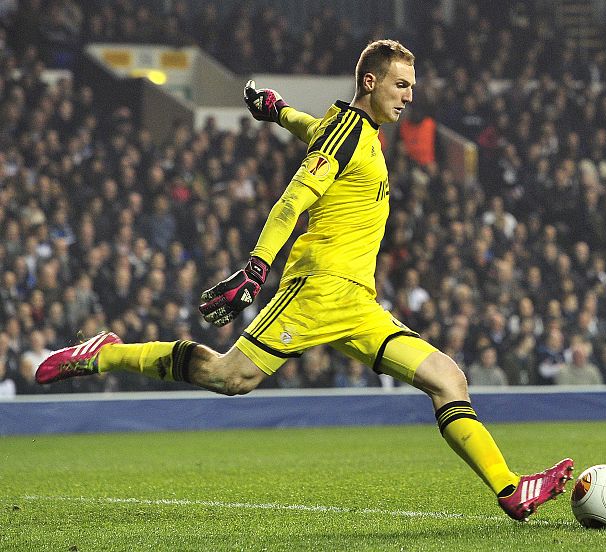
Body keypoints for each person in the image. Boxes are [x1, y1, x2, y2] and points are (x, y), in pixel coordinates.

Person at [36, 39, 572, 521]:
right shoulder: (348, 134)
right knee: (231, 378)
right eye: (401, 84)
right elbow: (295, 198)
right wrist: (256, 266)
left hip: (358, 302)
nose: (410, 96)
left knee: (448, 380)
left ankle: (510, 491)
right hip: (316, 290)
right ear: (371, 81)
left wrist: (277, 112)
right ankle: (104, 354)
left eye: (412, 87)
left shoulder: (355, 132)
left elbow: (315, 130)